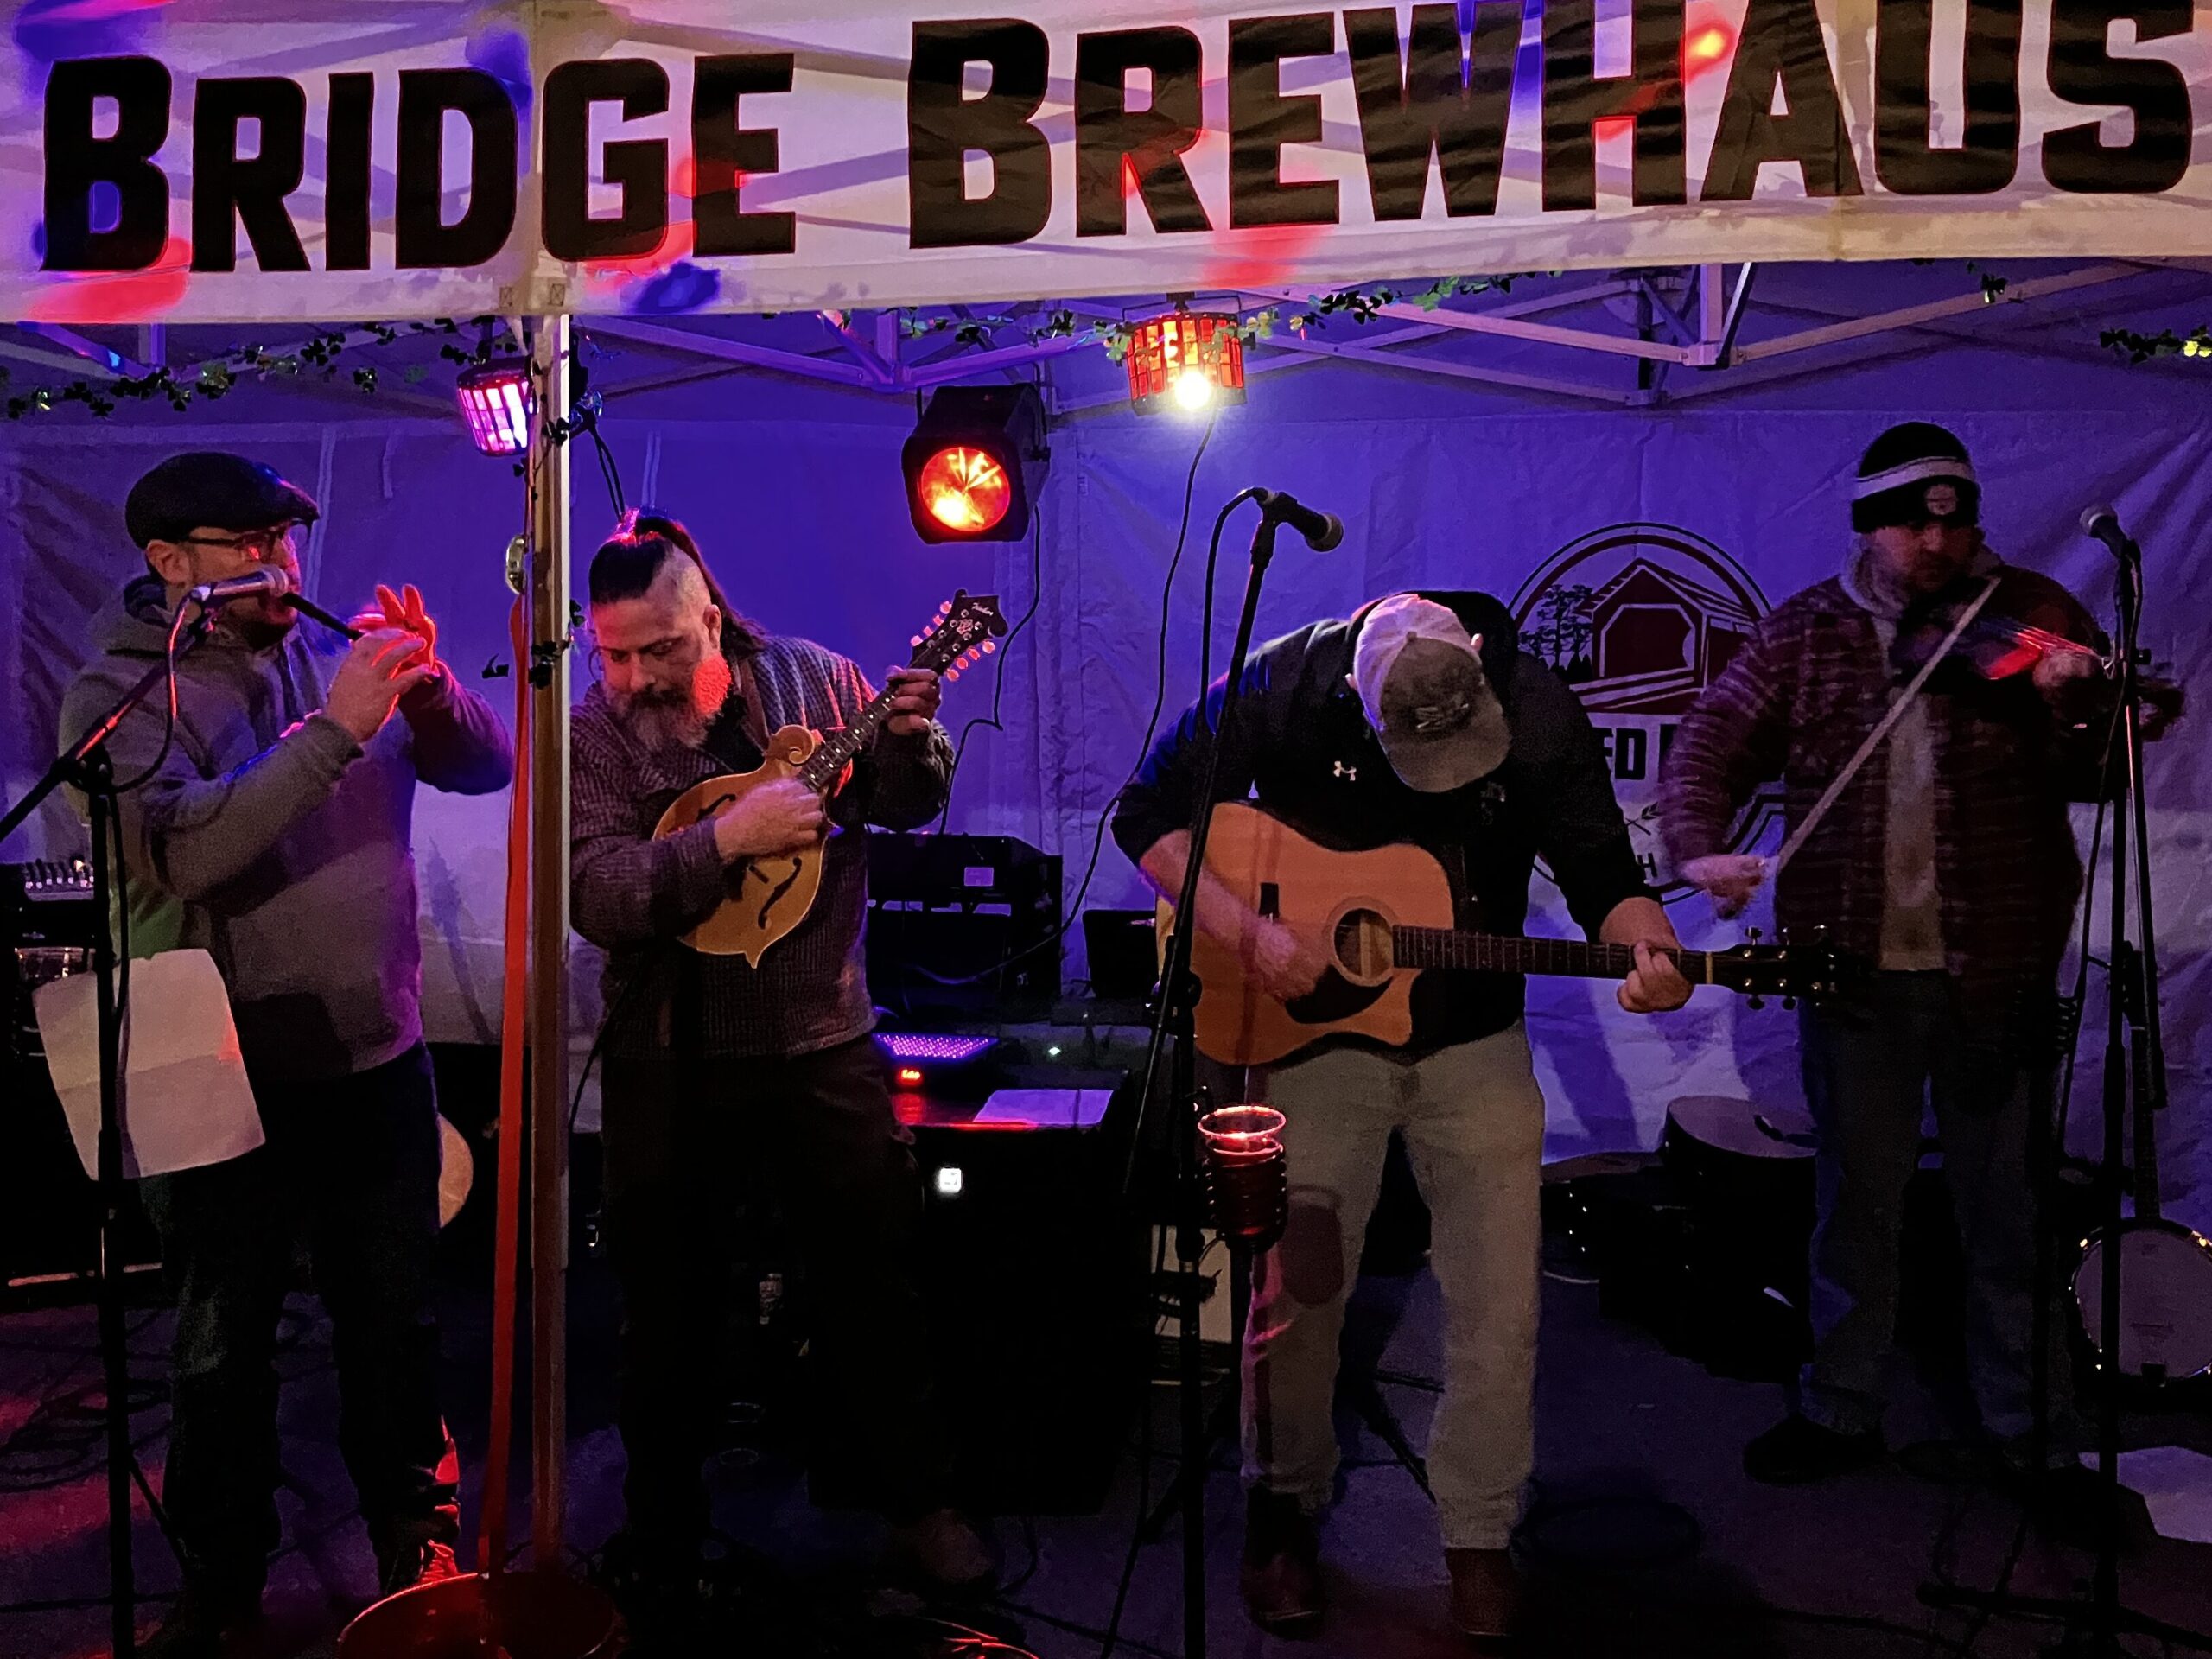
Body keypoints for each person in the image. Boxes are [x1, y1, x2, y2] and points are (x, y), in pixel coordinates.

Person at [1111, 590, 1692, 1641]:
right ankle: (1281, 1513)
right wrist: (1248, 936)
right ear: (1356, 699)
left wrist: (1646, 944)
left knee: (1500, 1307)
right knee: (1299, 1292)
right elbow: (1143, 818)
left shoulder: (1538, 704)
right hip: (1312, 1036)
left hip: (1473, 1038)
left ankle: (1476, 1533)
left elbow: (1607, 870)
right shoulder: (1284, 681)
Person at [58, 452, 514, 1657]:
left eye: (288, 540)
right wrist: (336, 728)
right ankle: (222, 1580)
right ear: (168, 565)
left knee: (396, 1320)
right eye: (247, 545)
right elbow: (183, 855)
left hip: (373, 1049)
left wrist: (429, 700)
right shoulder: (115, 693)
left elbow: (488, 765)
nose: (282, 567)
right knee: (220, 1343)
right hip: (203, 1056)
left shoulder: (322, 653)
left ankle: (413, 1539)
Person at [1657, 422, 2120, 1489]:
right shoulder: (1805, 633)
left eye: (1952, 523)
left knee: (2005, 1210)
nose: (1935, 545)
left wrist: (2080, 704)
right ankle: (1841, 1406)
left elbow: (2103, 773)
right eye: (1912, 524)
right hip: (1851, 970)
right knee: (1854, 1204)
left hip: (1994, 966)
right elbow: (1708, 743)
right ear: (1869, 529)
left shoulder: (2033, 618)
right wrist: (1700, 848)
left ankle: (2031, 1433)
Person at [567, 510, 992, 1644]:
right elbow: (599, 894)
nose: (638, 675)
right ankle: (659, 1532)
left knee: (870, 1283)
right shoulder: (596, 736)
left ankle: (921, 1503)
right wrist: (726, 840)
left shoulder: (813, 677)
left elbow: (904, 805)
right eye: (615, 653)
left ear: (708, 611)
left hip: (819, 1038)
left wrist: (908, 742)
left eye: (661, 647)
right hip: (668, 1056)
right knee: (666, 1311)